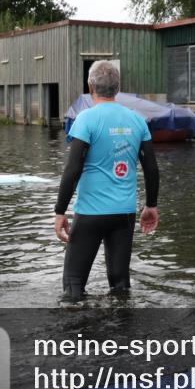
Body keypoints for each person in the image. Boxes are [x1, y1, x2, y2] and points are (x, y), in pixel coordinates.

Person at [53, 61, 160, 302]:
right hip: (124, 213)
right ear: (117, 87)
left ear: (90, 86)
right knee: (120, 285)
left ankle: (77, 336)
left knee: (73, 285)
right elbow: (151, 168)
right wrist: (151, 205)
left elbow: (73, 169)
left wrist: (60, 211)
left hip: (90, 213)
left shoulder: (86, 119)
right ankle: (123, 335)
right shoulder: (137, 120)